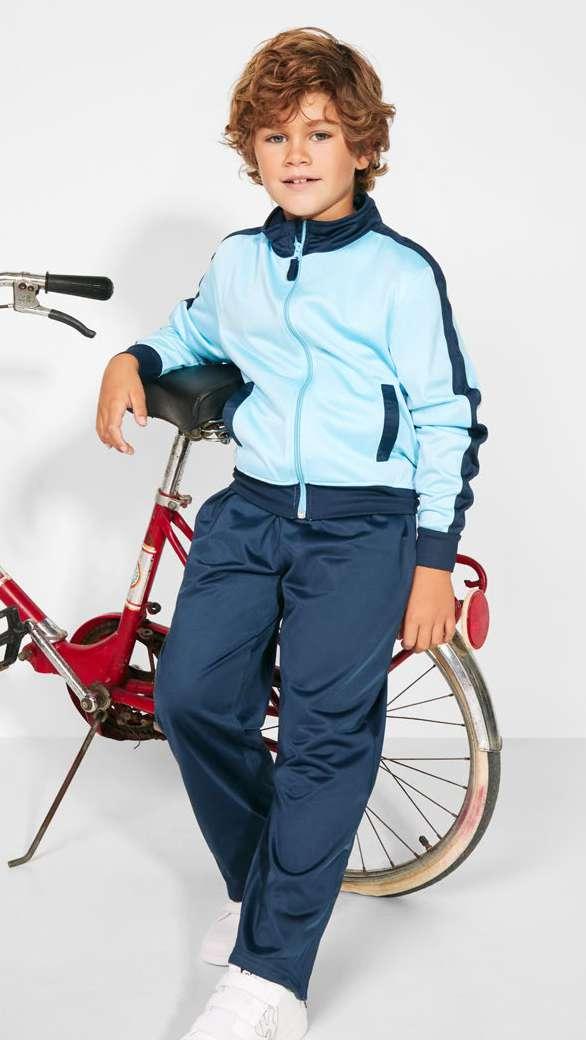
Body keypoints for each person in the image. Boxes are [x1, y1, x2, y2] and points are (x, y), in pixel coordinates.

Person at [95, 25, 488, 1040]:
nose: (297, 154)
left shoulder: (399, 274)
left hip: (364, 528)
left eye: (319, 132)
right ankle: (267, 888)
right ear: (252, 153)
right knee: (188, 696)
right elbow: (193, 329)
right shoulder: (240, 261)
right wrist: (132, 359)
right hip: (255, 509)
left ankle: (270, 976)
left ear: (362, 144)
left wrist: (432, 561)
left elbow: (447, 419)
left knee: (322, 738)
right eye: (275, 137)